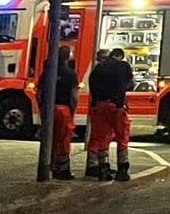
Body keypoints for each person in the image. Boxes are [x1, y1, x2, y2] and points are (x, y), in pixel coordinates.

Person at [86, 47, 134, 181]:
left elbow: (92, 87)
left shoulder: (98, 69)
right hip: (117, 106)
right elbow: (131, 84)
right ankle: (122, 169)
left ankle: (103, 168)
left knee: (102, 137)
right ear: (120, 56)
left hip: (100, 106)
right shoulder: (123, 66)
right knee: (122, 137)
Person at [50, 46, 79, 180]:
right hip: (63, 109)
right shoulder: (70, 73)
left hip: (50, 109)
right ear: (69, 57)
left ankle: (49, 165)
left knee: (51, 139)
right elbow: (74, 96)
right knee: (63, 140)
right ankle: (63, 169)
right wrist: (72, 111)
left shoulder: (48, 71)